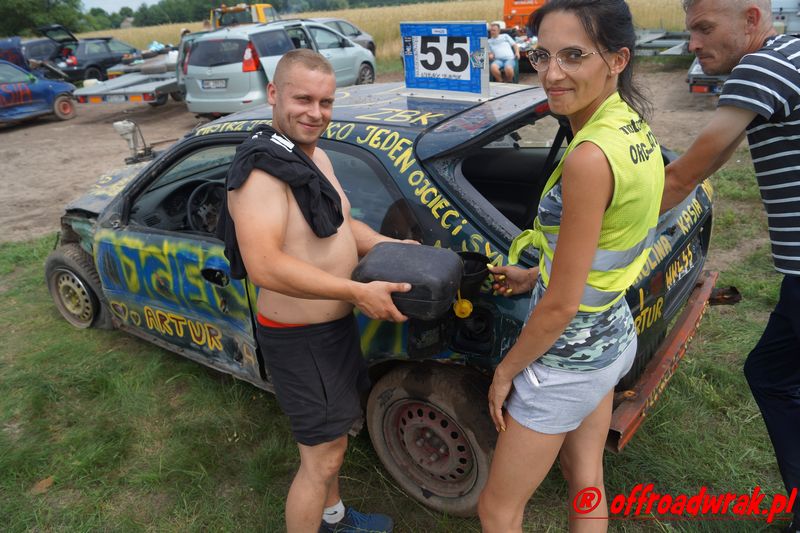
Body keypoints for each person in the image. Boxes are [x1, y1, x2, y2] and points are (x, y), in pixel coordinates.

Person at [477, 1, 663, 531]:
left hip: (566, 360)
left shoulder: (588, 157)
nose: (552, 74)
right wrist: (536, 274)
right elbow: (610, 240)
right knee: (586, 478)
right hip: (611, 336)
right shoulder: (631, 127)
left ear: (617, 60)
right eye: (543, 55)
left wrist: (505, 373)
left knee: (497, 508)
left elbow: (561, 307)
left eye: (574, 55)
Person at [221, 49, 411, 533]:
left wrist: (392, 245)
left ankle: (334, 519)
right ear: (273, 94)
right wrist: (355, 291)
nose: (316, 113)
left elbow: (341, 225)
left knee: (334, 443)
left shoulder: (313, 156)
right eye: (303, 99)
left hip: (332, 330)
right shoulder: (261, 174)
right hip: (299, 339)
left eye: (325, 102)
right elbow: (265, 265)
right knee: (321, 458)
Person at [662, 1, 800, 530]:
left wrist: (593, 239)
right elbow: (715, 158)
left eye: (704, 28)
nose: (692, 44)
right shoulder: (787, 56)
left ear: (751, 19)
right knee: (768, 373)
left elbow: (683, 175)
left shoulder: (760, 66)